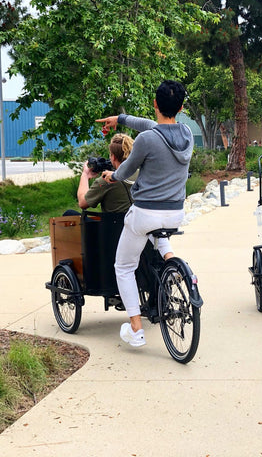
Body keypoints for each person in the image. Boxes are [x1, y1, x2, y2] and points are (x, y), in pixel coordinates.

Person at [96, 80, 194, 348]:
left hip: (146, 212)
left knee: (124, 266)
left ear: (155, 104)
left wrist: (111, 175)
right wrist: (121, 119)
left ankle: (136, 329)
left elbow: (125, 171)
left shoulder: (147, 140)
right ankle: (174, 266)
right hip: (175, 212)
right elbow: (152, 126)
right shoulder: (187, 134)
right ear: (182, 107)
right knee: (157, 232)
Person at [63, 134, 135, 215]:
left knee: (69, 213)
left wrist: (85, 175)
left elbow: (82, 203)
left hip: (114, 226)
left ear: (113, 157)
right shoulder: (142, 174)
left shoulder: (106, 180)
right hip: (139, 224)